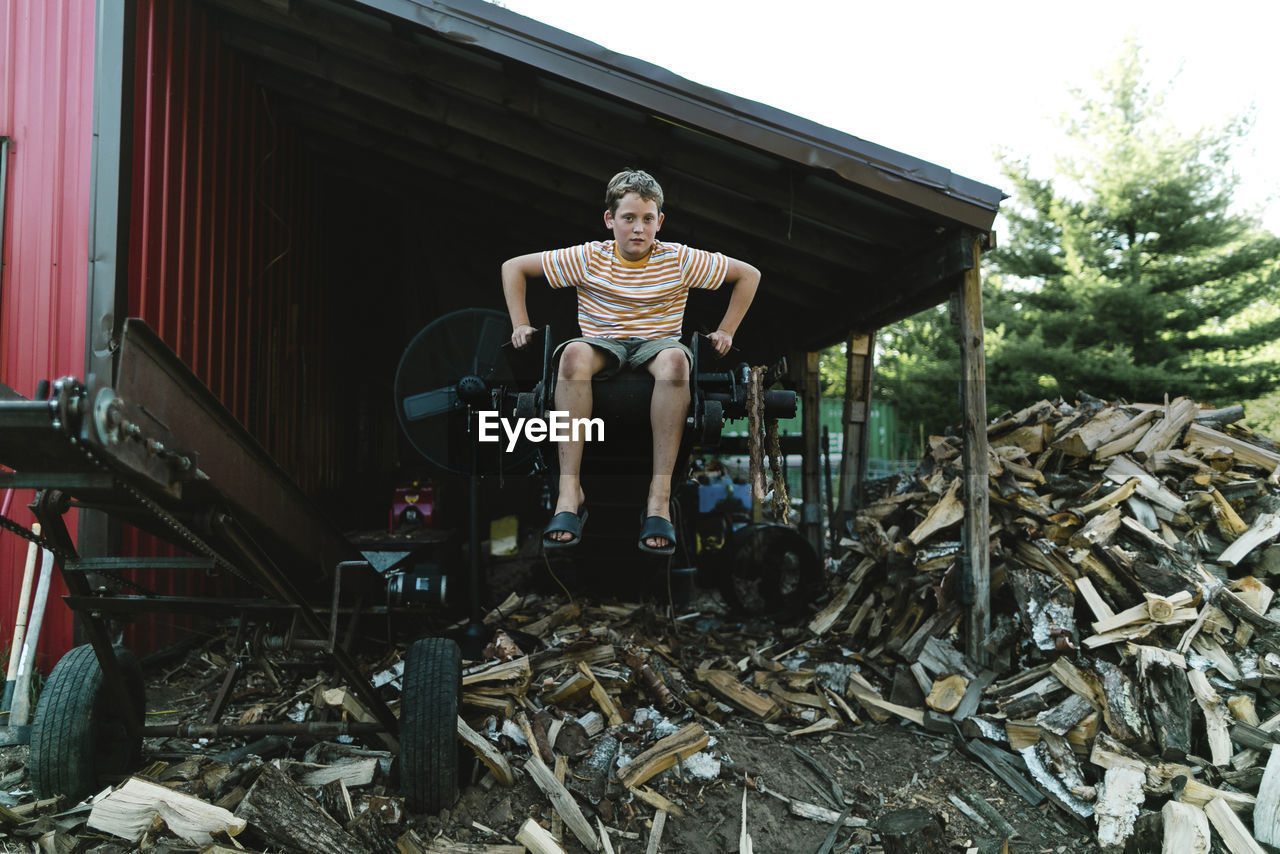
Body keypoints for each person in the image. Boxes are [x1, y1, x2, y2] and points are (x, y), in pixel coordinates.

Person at [502, 168, 759, 555]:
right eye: (628, 218)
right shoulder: (589, 257)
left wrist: (727, 330)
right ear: (610, 220)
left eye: (647, 219)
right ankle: (570, 491)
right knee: (571, 355)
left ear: (660, 222)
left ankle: (658, 498)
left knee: (677, 364)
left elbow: (749, 275)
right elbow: (514, 268)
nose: (638, 228)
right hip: (602, 344)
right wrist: (520, 323)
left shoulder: (680, 260)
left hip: (658, 345)